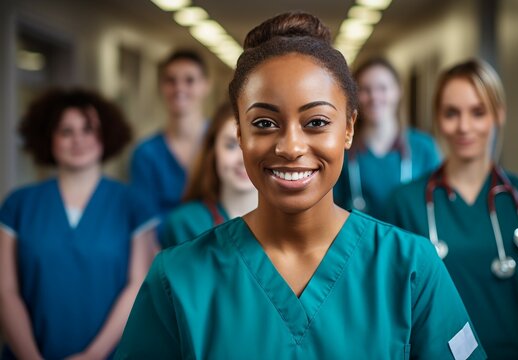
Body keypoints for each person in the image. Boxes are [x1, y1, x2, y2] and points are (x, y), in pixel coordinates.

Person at [115, 12, 486, 359]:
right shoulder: (177, 278)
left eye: (316, 122)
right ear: (239, 133)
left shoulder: (411, 267)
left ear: (349, 128)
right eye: (263, 123)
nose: (290, 147)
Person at [382, 59, 518, 359]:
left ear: (499, 115)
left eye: (478, 112)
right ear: (437, 119)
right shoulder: (403, 203)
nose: (464, 126)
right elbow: (389, 304)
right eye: (451, 113)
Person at [0, 89, 158, 359]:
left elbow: (138, 285)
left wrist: (92, 356)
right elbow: (6, 290)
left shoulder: (133, 205)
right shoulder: (18, 204)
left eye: (88, 129)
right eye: (66, 131)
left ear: (105, 135)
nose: (78, 140)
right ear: (49, 138)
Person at [334, 58, 440, 219]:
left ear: (398, 91)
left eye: (382, 88)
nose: (374, 96)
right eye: (365, 89)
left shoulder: (423, 147)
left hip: (409, 241)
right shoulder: (343, 149)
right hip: (361, 241)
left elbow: (437, 203)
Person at [129, 49, 210, 240]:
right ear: (161, 87)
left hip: (221, 255)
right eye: (170, 81)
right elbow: (146, 223)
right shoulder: (146, 154)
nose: (179, 88)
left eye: (189, 80)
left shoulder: (225, 144)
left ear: (205, 85)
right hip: (167, 256)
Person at [162, 102, 257, 248]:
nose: (242, 159)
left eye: (254, 145)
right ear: (213, 151)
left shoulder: (292, 224)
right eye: (231, 145)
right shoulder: (185, 224)